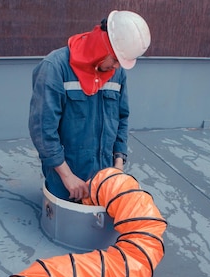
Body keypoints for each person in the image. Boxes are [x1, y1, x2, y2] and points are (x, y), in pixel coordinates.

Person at [28, 10, 151, 201]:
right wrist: (67, 176)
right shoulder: (55, 68)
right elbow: (43, 130)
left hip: (105, 177)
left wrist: (118, 166)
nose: (117, 67)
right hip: (67, 180)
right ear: (103, 47)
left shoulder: (116, 73)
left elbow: (121, 119)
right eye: (116, 59)